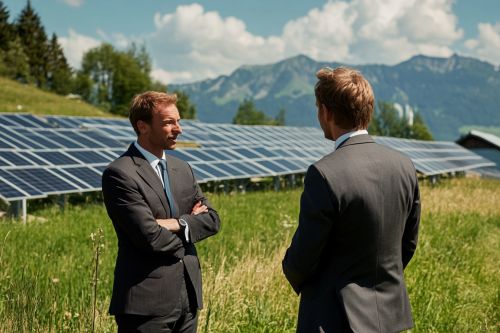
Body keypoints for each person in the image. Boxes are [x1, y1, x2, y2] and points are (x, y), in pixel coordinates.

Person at [282, 67, 420, 333]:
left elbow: (305, 255)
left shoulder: (324, 173)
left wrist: (290, 268)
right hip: (390, 317)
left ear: (327, 112)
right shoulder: (404, 166)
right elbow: (408, 244)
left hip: (334, 317)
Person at [102, 91, 220, 333]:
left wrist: (178, 224)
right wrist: (190, 231)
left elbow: (212, 219)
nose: (178, 129)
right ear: (142, 126)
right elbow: (149, 237)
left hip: (188, 298)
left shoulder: (182, 168)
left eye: (178, 121)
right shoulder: (120, 173)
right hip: (145, 305)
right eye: (168, 122)